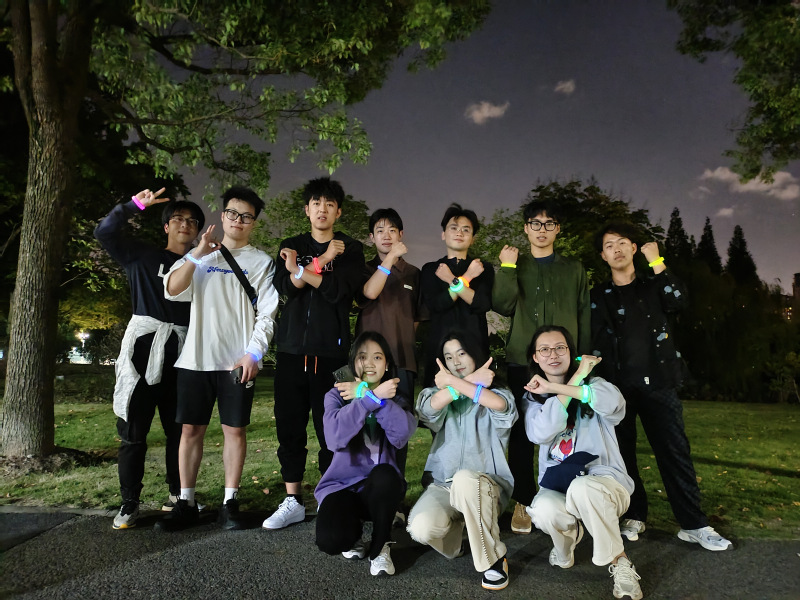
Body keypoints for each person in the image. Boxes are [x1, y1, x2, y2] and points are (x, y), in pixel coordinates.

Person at [590, 221, 731, 551]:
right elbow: (593, 338)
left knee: (674, 453)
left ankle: (693, 524)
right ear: (603, 256)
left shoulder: (654, 286)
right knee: (622, 455)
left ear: (634, 248)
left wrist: (657, 261)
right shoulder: (598, 296)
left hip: (659, 384)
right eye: (609, 245)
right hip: (617, 387)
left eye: (622, 242)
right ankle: (634, 514)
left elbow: (679, 300)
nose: (617, 249)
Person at [156, 186, 279, 531]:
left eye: (247, 216)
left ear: (254, 222)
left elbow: (267, 314)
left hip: (236, 363)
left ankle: (230, 503)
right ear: (223, 216)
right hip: (195, 359)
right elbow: (172, 289)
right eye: (233, 213)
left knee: (234, 431)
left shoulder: (261, 262)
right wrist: (197, 253)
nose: (239, 220)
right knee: (190, 430)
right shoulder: (201, 255)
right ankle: (186, 502)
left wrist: (253, 354)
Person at [95, 187, 205, 529]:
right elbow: (104, 233)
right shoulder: (141, 255)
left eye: (192, 221)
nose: (185, 224)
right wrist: (133, 206)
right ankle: (130, 502)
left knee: (179, 431)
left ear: (198, 231)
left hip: (182, 356)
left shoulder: (201, 266)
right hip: (142, 351)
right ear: (166, 226)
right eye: (178, 219)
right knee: (133, 431)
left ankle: (178, 495)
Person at [263, 177, 366, 530]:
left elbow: (338, 292)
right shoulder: (292, 244)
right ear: (307, 209)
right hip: (291, 352)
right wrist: (320, 260)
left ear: (338, 212)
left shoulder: (351, 249)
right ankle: (292, 499)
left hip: (332, 355)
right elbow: (287, 288)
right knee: (290, 428)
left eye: (329, 204)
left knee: (331, 431)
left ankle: (329, 495)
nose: (322, 209)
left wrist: (301, 269)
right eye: (316, 203)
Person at [492, 199, 591, 535]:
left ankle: (567, 497)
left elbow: (583, 312)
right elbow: (502, 305)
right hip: (524, 360)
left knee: (569, 429)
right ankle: (523, 499)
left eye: (549, 224)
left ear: (557, 229)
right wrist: (507, 268)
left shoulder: (573, 269)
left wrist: (583, 360)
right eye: (536, 223)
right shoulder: (516, 265)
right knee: (523, 434)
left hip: (565, 364)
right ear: (526, 228)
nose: (542, 229)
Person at [523, 325, 643, 600]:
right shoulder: (533, 398)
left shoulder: (596, 384)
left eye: (560, 348)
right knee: (542, 509)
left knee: (583, 487)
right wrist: (565, 384)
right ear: (535, 357)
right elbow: (540, 432)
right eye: (544, 349)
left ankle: (620, 562)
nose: (553, 354)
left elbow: (613, 406)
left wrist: (564, 384)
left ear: (570, 352)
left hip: (604, 483)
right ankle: (565, 548)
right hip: (558, 485)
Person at [407, 330, 517, 591]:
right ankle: (456, 543)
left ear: (475, 355)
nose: (455, 361)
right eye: (448, 357)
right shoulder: (439, 392)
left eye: (462, 353)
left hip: (485, 485)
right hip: (443, 485)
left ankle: (494, 560)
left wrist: (461, 383)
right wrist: (465, 381)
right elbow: (427, 409)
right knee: (420, 528)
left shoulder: (498, 392)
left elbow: (500, 406)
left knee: (465, 479)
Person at [314, 331, 417, 576]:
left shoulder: (396, 399)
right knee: (330, 539)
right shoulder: (336, 395)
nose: (369, 363)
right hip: (343, 486)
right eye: (362, 356)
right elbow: (334, 439)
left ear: (387, 365)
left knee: (385, 475)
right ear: (353, 362)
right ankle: (354, 535)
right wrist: (369, 399)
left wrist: (373, 397)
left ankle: (381, 546)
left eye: (377, 357)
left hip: (380, 491)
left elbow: (401, 435)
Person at [420, 204, 493, 388]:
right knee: (438, 399)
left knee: (478, 398)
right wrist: (467, 277)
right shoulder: (431, 269)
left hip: (475, 345)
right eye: (454, 228)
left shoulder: (483, 268)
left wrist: (451, 281)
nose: (459, 233)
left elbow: (481, 303)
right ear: (443, 234)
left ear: (473, 238)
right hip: (440, 346)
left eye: (466, 230)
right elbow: (437, 304)